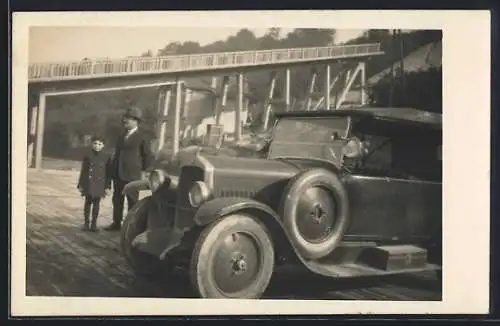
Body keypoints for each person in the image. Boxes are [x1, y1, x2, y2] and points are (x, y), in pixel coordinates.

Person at [105, 107, 154, 231]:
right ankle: (116, 223)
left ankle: (131, 226)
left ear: (136, 121)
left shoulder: (142, 137)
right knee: (117, 199)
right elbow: (116, 154)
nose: (124, 120)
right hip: (118, 173)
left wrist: (145, 172)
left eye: (128, 118)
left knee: (132, 200)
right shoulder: (121, 137)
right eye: (125, 118)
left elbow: (147, 156)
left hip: (132, 175)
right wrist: (112, 170)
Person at [77, 135, 112, 232]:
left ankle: (94, 224)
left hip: (99, 183)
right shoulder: (88, 156)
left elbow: (109, 174)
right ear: (92, 144)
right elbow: (83, 171)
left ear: (103, 146)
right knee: (88, 203)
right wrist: (81, 184)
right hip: (89, 182)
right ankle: (86, 223)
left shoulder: (106, 157)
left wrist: (108, 187)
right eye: (95, 143)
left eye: (100, 144)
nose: (97, 146)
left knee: (96, 204)